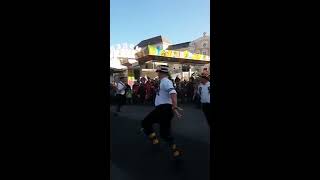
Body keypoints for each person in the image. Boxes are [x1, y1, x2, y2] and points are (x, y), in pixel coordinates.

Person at [140, 65, 183, 158]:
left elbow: (173, 93)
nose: (157, 74)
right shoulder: (162, 82)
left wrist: (175, 106)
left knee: (145, 123)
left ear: (162, 73)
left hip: (163, 109)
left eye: (158, 72)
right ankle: (175, 151)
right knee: (164, 134)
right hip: (164, 110)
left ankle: (155, 141)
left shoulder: (166, 82)